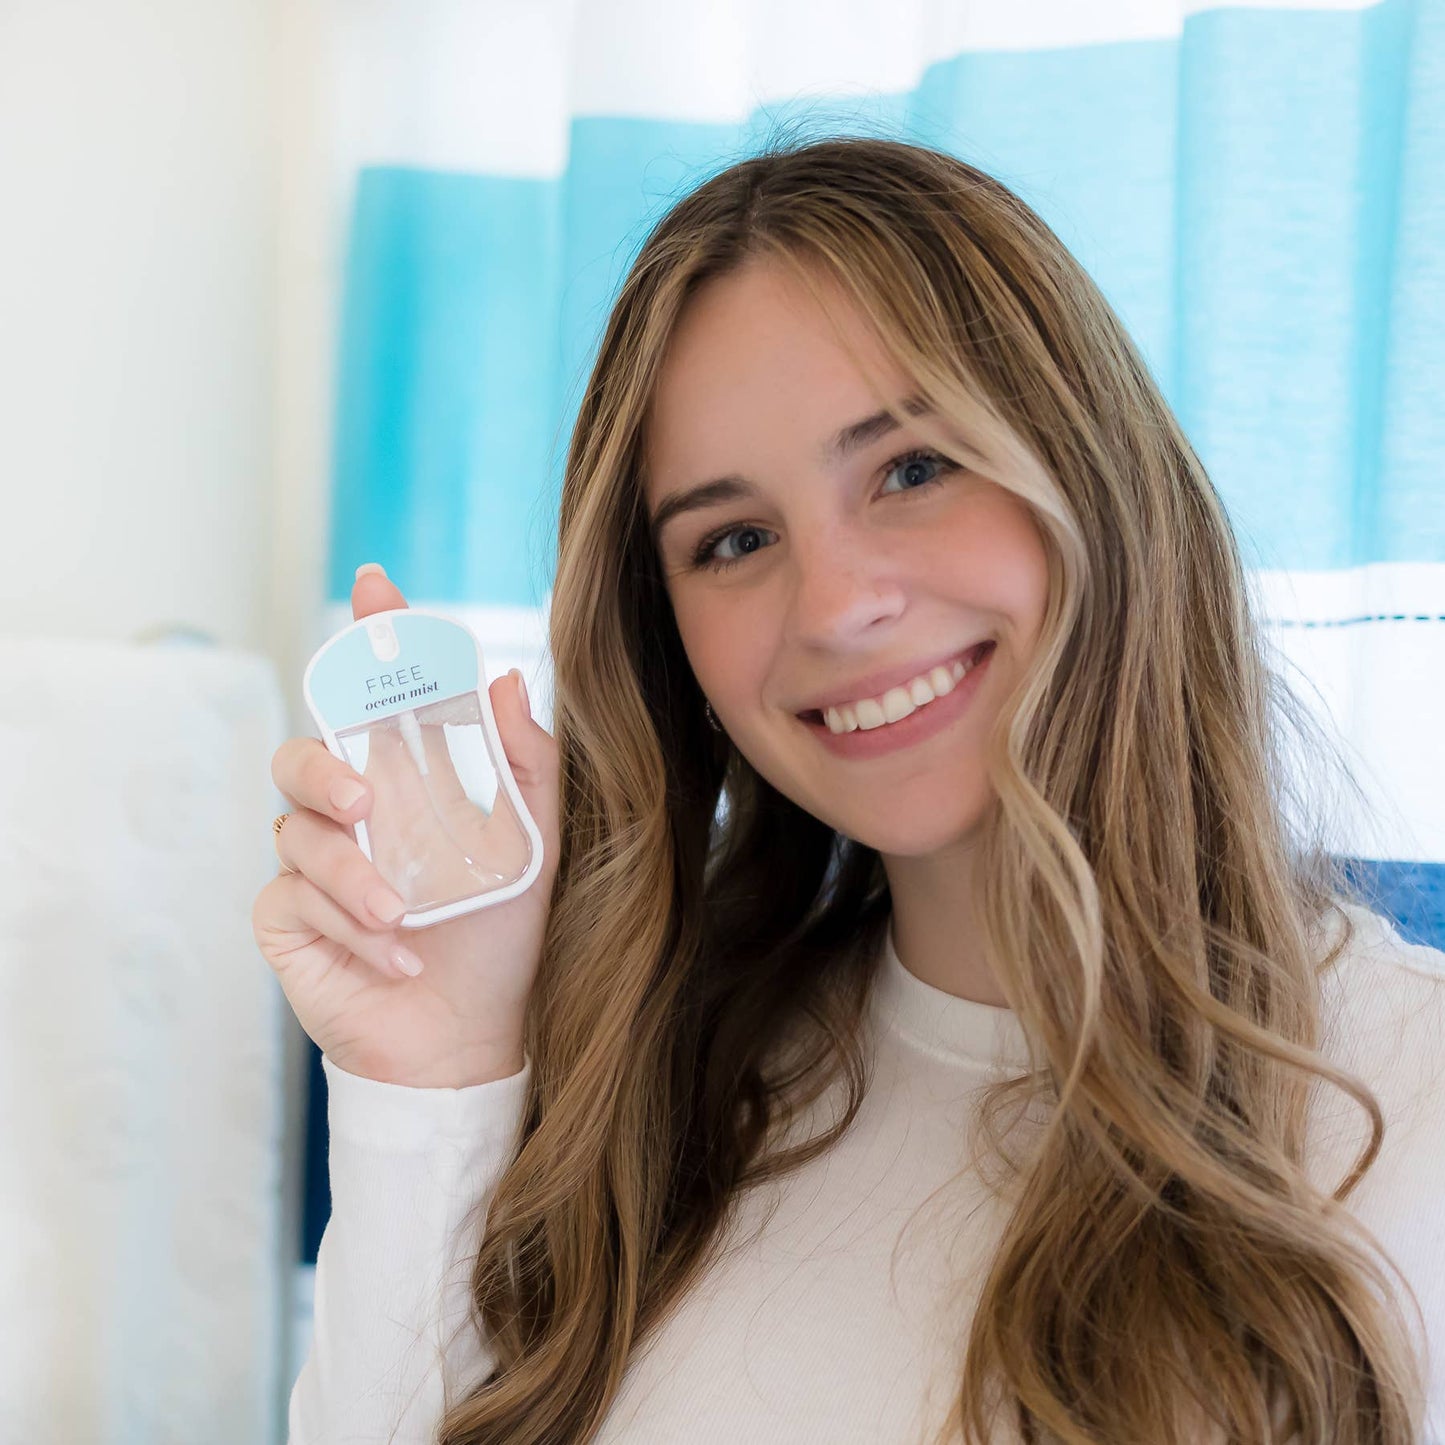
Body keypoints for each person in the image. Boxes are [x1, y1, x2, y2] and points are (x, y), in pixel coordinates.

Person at [257, 136, 1445, 1445]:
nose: (832, 605)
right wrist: (433, 1066)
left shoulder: (1409, 1101)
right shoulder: (660, 1086)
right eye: (734, 540)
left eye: (911, 467)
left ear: (1090, 464)